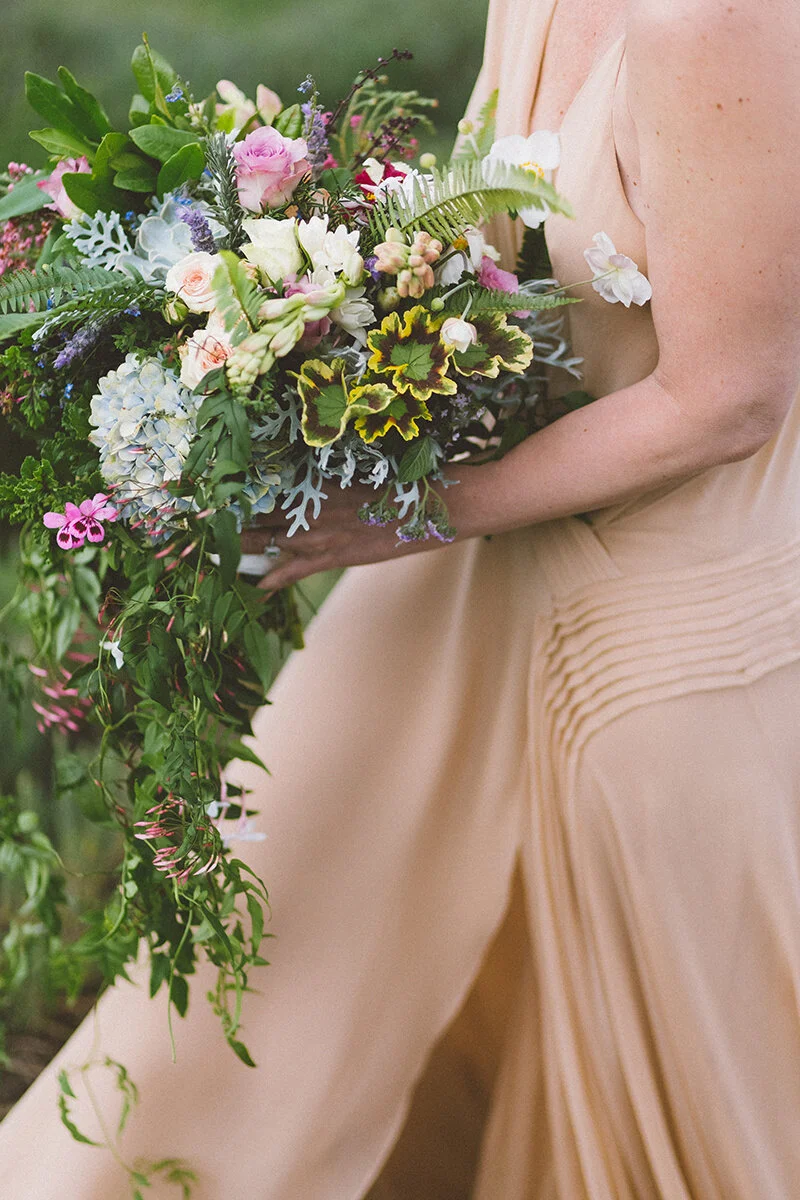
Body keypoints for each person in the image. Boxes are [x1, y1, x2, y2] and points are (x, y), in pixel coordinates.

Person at [3, 0, 800, 1195]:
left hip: (679, 608)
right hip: (481, 570)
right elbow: (475, 250)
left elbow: (729, 397)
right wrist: (286, 338)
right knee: (282, 945)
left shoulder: (721, 29)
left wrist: (402, 516)